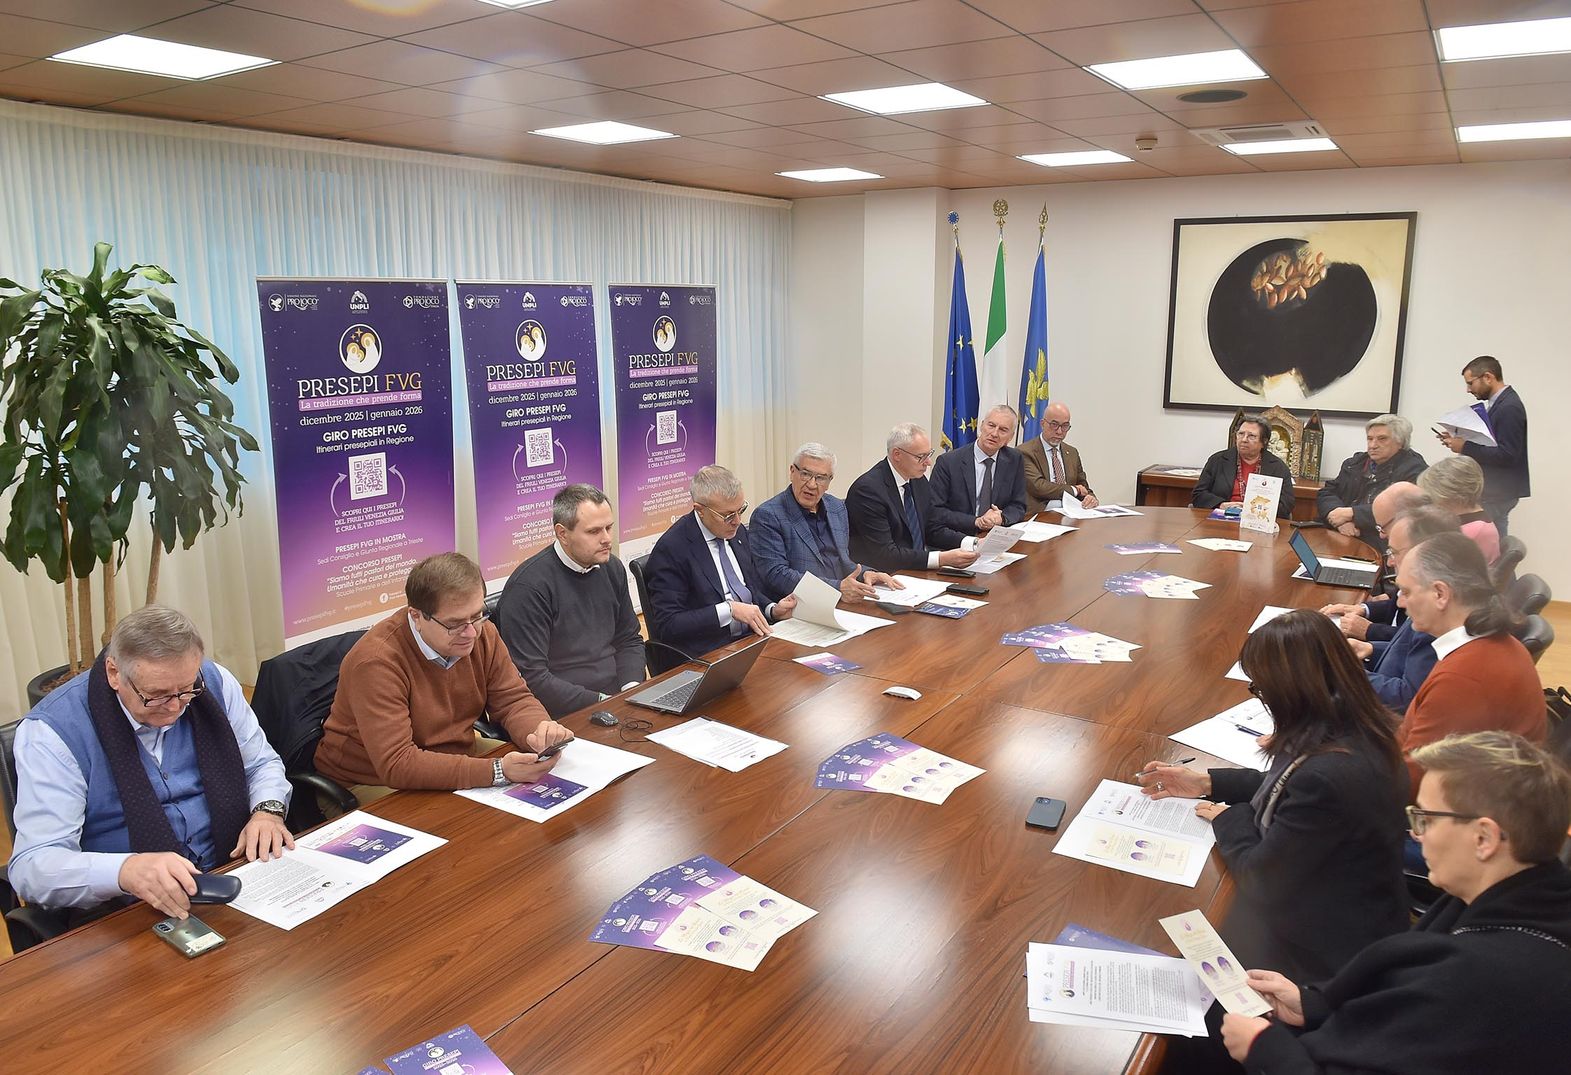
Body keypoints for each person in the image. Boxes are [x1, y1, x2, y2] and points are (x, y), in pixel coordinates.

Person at [1218, 732, 1571, 1075]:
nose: (1416, 833)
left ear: (1484, 838)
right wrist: (1311, 1005)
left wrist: (1264, 1049)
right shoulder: (1521, 903)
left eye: (1426, 818)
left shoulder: (1479, 978)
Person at [1137, 610, 1408, 983]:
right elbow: (1288, 784)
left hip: (1324, 949)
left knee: (1169, 958)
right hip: (1356, 907)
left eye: (1260, 689)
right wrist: (1206, 783)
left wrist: (1228, 817)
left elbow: (1262, 877)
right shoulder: (1354, 726)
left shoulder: (1328, 776)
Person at [9, 606, 294, 919]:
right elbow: (33, 866)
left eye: (186, 691)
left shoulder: (213, 683)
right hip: (127, 910)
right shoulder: (54, 733)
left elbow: (261, 764)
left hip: (233, 876)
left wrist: (268, 812)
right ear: (114, 673)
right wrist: (125, 870)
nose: (175, 707)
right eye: (156, 695)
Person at [316, 552, 572, 795]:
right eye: (455, 624)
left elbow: (512, 700)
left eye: (477, 616)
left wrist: (539, 731)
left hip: (453, 751)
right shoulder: (376, 663)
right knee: (469, 822)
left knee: (553, 784)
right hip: (368, 778)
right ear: (417, 616)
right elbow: (397, 763)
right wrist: (497, 771)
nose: (471, 633)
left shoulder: (482, 634)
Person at [1394, 532, 1545, 799]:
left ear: (1440, 593)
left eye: (1406, 592)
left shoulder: (1465, 677)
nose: (1400, 602)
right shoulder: (1489, 643)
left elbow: (1410, 781)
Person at [496, 484, 646, 718]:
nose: (607, 539)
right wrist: (602, 702)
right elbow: (532, 677)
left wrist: (631, 689)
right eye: (594, 532)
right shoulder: (528, 588)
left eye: (609, 528)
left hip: (616, 696)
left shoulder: (612, 568)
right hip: (562, 712)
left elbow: (629, 639)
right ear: (562, 534)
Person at [645, 465, 798, 663]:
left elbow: (746, 589)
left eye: (741, 510)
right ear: (700, 510)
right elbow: (669, 624)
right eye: (728, 515)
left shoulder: (736, 532)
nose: (737, 521)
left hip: (751, 641)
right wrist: (729, 610)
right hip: (709, 653)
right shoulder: (672, 549)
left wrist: (772, 609)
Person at [751, 443, 899, 603]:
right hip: (799, 606)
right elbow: (777, 575)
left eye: (821, 478)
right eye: (805, 474)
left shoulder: (837, 508)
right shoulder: (768, 515)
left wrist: (866, 574)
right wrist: (837, 588)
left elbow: (841, 561)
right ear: (792, 472)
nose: (812, 484)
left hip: (842, 602)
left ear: (829, 481)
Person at [1346, 506, 1457, 710]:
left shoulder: (1436, 618)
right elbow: (1407, 652)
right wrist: (1370, 649)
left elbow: (1407, 698)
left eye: (1394, 552)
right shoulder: (1429, 597)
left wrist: (1344, 674)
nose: (1389, 561)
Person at [846, 423, 978, 573]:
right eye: (921, 457)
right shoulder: (868, 491)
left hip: (914, 571)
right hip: (882, 575)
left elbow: (932, 529)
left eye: (929, 454)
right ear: (897, 454)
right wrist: (941, 559)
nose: (928, 463)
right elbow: (885, 555)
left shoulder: (918, 480)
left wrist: (972, 543)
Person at [1320, 481, 1428, 644]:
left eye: (1382, 527)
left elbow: (1417, 640)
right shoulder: (1410, 547)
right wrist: (1363, 609)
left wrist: (1370, 631)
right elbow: (1396, 605)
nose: (1382, 535)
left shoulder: (1430, 563)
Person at [1440, 355, 1529, 537]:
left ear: (1488, 377)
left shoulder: (1509, 407)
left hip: (1497, 492)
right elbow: (1490, 441)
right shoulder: (1500, 403)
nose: (1468, 389)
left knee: (1482, 542)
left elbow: (1508, 454)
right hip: (1495, 490)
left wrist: (1465, 447)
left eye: (1470, 383)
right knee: (1494, 540)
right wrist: (1458, 438)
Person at [1316, 414, 1427, 543]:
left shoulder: (1414, 470)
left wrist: (1353, 513)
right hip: (1341, 532)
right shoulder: (1355, 463)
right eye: (1370, 439)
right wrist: (1339, 519)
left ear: (1401, 442)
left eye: (1382, 439)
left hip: (1380, 539)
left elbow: (1403, 509)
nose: (1373, 445)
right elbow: (1327, 492)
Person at [928, 404, 1029, 535]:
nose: (994, 434)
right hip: (959, 536)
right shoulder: (948, 462)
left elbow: (1019, 505)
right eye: (991, 425)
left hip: (996, 534)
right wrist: (976, 521)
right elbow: (935, 511)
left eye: (1003, 430)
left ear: (1011, 437)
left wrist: (1001, 518)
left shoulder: (1015, 459)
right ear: (981, 426)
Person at [1189, 415, 1296, 518]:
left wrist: (1254, 509)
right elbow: (1198, 494)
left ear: (1264, 441)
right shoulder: (1218, 460)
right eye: (1241, 434)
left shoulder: (1278, 467)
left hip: (1259, 520)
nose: (1244, 439)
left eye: (1251, 436)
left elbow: (1286, 504)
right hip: (1223, 517)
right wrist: (1221, 504)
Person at [1418, 454, 1500, 564]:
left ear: (1449, 496)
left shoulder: (1470, 533)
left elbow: (1431, 565)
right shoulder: (1472, 519)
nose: (1432, 503)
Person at [1018, 402, 1098, 513]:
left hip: (1071, 512)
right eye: (1054, 425)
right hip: (1041, 513)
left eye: (1065, 426)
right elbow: (1039, 486)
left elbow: (1083, 486)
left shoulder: (1072, 452)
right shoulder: (1024, 452)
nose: (1059, 431)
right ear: (1042, 424)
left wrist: (1090, 498)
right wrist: (1074, 490)